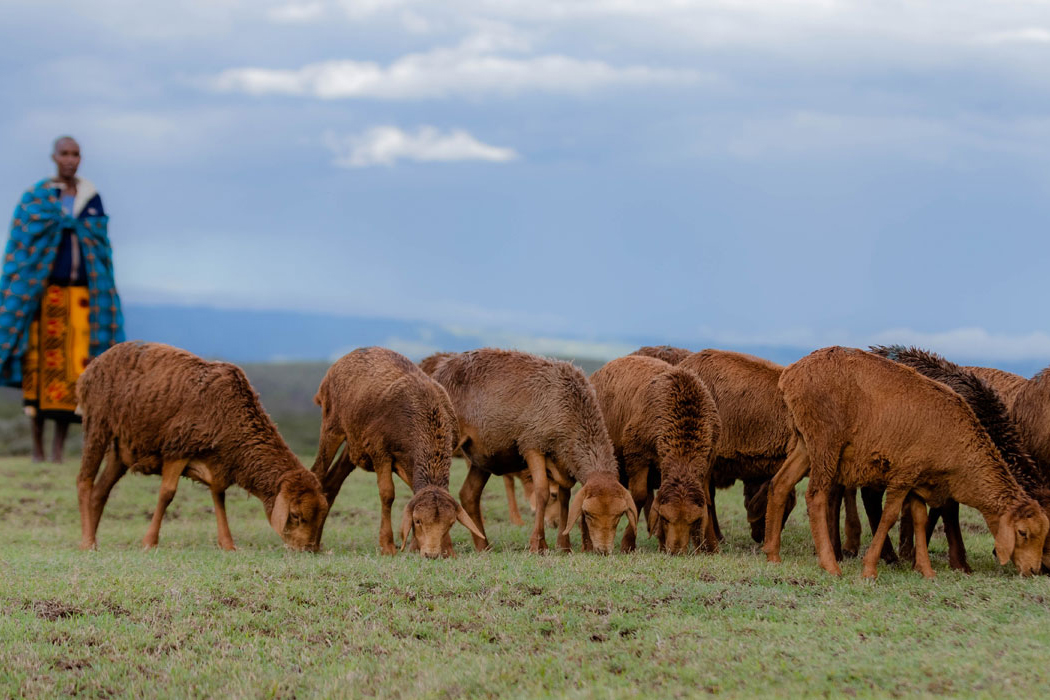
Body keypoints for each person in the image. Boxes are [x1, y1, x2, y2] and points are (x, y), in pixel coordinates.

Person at [0, 137, 124, 462]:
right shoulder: (37, 198)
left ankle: (59, 449)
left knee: (76, 374)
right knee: (40, 368)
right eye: (65, 154)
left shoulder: (90, 199)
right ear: (54, 157)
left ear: (81, 158)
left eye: (76, 154)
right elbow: (22, 247)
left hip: (83, 299)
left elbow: (100, 248)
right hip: (46, 298)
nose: (70, 160)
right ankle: (38, 448)